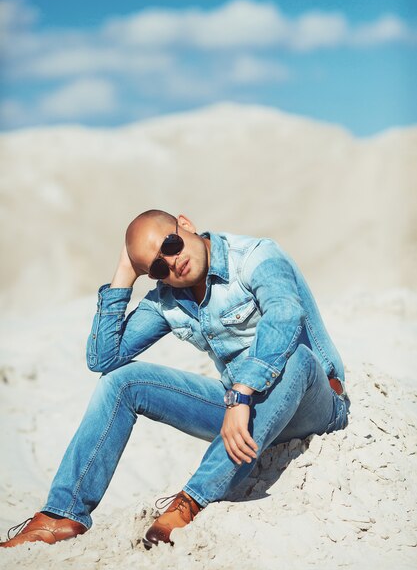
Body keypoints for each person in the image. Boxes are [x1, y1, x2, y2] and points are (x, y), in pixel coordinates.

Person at [1, 210, 349, 549]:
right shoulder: (168, 300)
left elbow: (284, 316)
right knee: (121, 381)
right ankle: (63, 515)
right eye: (157, 266)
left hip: (314, 405)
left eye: (171, 244)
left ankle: (192, 500)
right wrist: (126, 271)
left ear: (185, 225)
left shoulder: (256, 257)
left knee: (298, 358)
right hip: (241, 415)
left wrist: (242, 393)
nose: (172, 262)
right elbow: (103, 359)